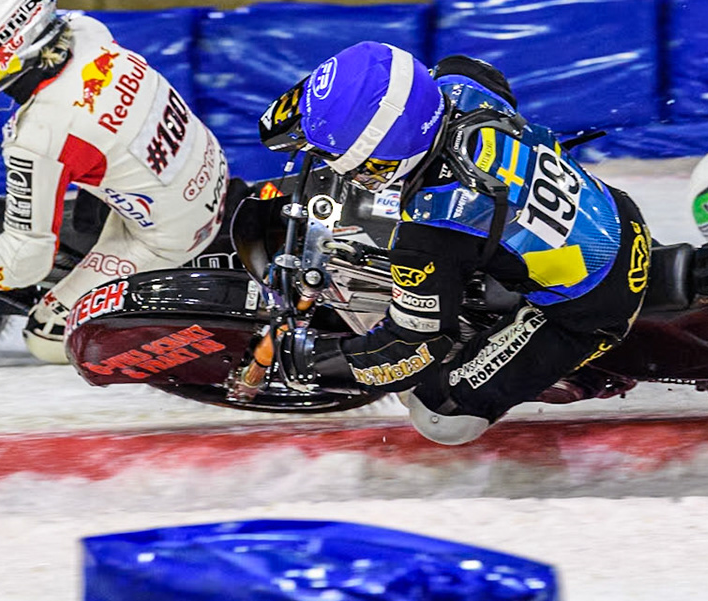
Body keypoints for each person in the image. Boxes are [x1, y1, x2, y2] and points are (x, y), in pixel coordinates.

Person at [254, 41, 653, 446]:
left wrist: (307, 359)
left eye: (331, 155)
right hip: (613, 210)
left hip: (593, 304)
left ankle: (566, 374)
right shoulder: (463, 81)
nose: (326, 161)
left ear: (381, 149)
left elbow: (410, 349)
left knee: (440, 415)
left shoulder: (431, 231)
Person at [0, 0, 232, 363]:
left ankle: (197, 348)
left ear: (7, 41)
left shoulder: (38, 136)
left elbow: (22, 264)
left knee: (46, 338)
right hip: (202, 164)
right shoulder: (86, 32)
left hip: (173, 233)